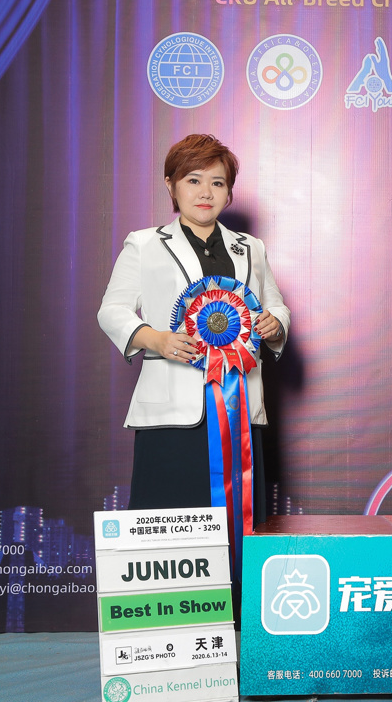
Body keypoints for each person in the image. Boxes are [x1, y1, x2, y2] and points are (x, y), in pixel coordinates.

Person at [98, 134, 290, 528]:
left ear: (229, 192)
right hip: (170, 415)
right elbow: (112, 311)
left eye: (217, 182)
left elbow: (276, 305)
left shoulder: (250, 247)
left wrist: (276, 324)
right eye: (193, 180)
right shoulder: (144, 244)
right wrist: (157, 339)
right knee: (167, 532)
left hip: (238, 411)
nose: (206, 192)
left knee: (239, 528)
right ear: (171, 185)